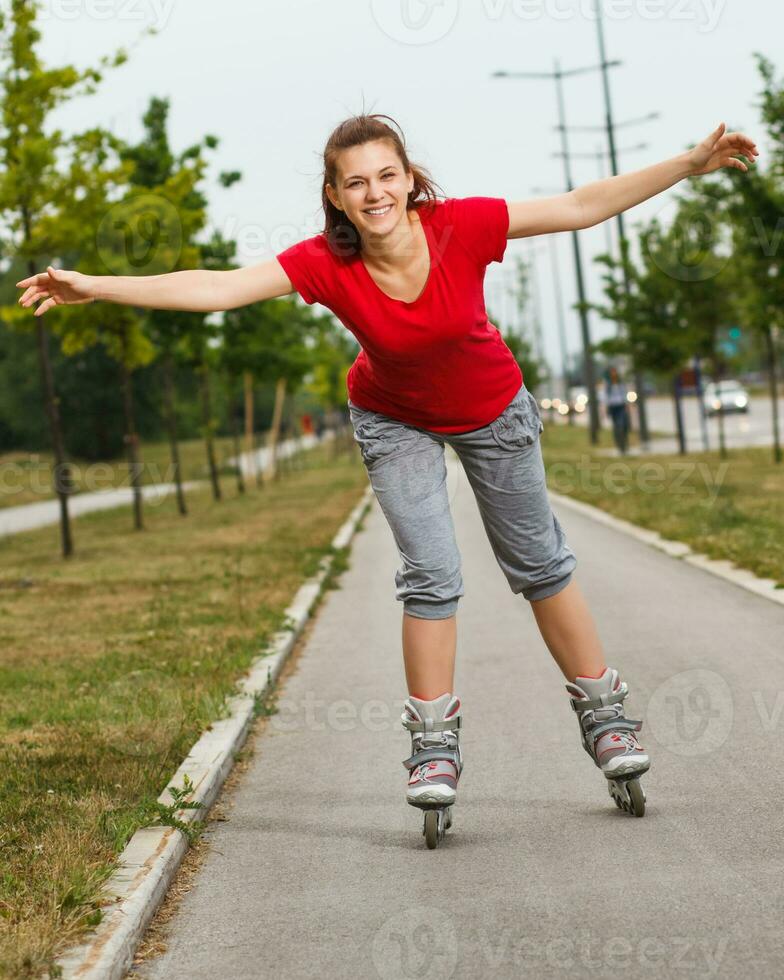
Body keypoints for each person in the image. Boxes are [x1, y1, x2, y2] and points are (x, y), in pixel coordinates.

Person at [16, 114, 758, 826]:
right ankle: (433, 746)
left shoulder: (461, 226)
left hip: (494, 409)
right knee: (432, 573)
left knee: (538, 563)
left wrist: (688, 165)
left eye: (387, 176)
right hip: (393, 418)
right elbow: (218, 287)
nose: (374, 193)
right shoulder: (324, 262)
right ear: (335, 195)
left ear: (409, 180)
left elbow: (577, 206)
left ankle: (607, 719)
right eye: (356, 182)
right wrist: (99, 285)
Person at [604, 365, 630, 455]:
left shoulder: (621, 383)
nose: (613, 374)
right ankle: (619, 444)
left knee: (622, 425)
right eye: (612, 372)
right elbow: (606, 397)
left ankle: (624, 443)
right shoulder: (608, 384)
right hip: (613, 407)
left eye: (615, 372)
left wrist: (627, 404)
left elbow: (625, 393)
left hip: (621, 406)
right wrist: (606, 408)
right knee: (616, 426)